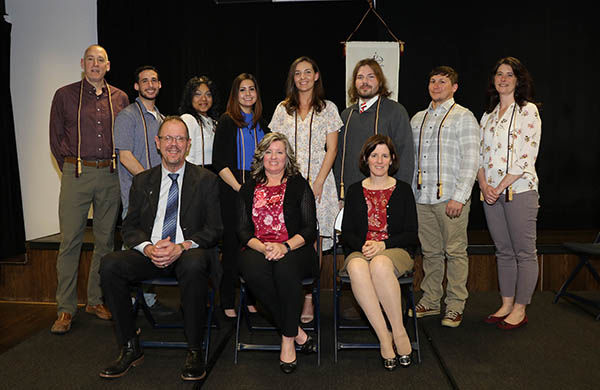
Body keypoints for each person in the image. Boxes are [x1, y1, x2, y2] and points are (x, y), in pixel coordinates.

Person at [99, 116, 223, 381]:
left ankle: (194, 349)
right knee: (110, 264)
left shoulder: (206, 180)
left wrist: (182, 246)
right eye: (168, 138)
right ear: (157, 143)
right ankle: (130, 346)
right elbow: (129, 226)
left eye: (180, 139)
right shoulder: (142, 181)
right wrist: (147, 248)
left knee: (194, 263)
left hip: (187, 253)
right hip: (150, 253)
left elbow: (215, 229)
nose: (174, 144)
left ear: (188, 145)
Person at [49, 45, 129, 334]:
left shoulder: (120, 97)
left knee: (106, 242)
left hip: (109, 174)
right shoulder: (64, 95)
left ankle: (95, 300)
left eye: (101, 60)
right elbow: (56, 138)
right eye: (91, 60)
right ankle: (65, 309)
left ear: (108, 65)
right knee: (70, 241)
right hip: (77, 172)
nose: (95, 65)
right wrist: (71, 167)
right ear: (82, 63)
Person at [237, 132, 319, 374]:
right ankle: (298, 332)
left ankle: (287, 339)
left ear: (287, 157)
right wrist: (263, 247)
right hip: (257, 247)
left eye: (279, 152)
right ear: (261, 156)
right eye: (269, 152)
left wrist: (284, 247)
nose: (273, 157)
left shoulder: (299, 184)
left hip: (294, 248)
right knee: (252, 271)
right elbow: (241, 230)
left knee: (285, 269)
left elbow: (309, 228)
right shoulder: (248, 187)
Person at [268, 56, 342, 323]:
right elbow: (274, 146)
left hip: (320, 183)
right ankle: (289, 293)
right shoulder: (282, 109)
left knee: (314, 240)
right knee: (288, 235)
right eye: (297, 73)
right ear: (292, 78)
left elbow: (332, 149)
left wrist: (319, 182)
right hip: (286, 184)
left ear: (317, 76)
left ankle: (309, 297)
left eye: (307, 72)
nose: (302, 77)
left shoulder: (329, 108)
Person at [408, 66, 479, 328]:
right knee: (430, 252)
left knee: (455, 251)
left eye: (443, 81)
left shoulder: (464, 117)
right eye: (432, 81)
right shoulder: (417, 119)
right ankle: (431, 299)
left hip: (451, 197)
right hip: (422, 197)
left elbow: (472, 159)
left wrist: (459, 197)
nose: (436, 85)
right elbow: (411, 160)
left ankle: (455, 305)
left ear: (454, 87)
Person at [340, 134, 418, 370]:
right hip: (362, 250)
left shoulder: (403, 190)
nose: (380, 160)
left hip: (395, 249)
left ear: (392, 159)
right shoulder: (354, 190)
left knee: (380, 264)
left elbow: (412, 233)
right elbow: (347, 233)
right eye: (374, 155)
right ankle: (384, 338)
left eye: (385, 155)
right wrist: (364, 245)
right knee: (355, 266)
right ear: (366, 158)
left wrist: (383, 245)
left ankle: (399, 331)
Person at [478, 57, 541, 330]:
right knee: (503, 251)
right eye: (499, 74)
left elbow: (527, 156)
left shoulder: (528, 111)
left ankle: (520, 307)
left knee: (524, 252)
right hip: (489, 192)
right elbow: (479, 156)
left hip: (519, 190)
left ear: (518, 80)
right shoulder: (487, 116)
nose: (503, 79)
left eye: (509, 75)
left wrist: (500, 186)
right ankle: (505, 303)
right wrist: (483, 185)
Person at [213, 73, 269, 319]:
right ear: (235, 96)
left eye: (252, 89)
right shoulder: (227, 121)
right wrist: (239, 188)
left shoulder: (262, 124)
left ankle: (251, 300)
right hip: (232, 190)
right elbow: (219, 162)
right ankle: (227, 301)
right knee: (233, 248)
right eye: (242, 90)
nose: (247, 94)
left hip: (258, 192)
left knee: (255, 248)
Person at [334, 58, 414, 201]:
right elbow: (339, 157)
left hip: (387, 194)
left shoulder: (395, 111)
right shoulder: (346, 115)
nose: (365, 82)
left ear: (380, 81)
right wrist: (340, 195)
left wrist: (401, 194)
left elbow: (406, 155)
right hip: (352, 196)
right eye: (360, 77)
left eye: (371, 76)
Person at [179, 75, 220, 172]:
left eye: (208, 94)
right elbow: (187, 157)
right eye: (198, 94)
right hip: (197, 175)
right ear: (190, 97)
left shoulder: (214, 122)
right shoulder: (188, 119)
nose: (204, 99)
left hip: (214, 175)